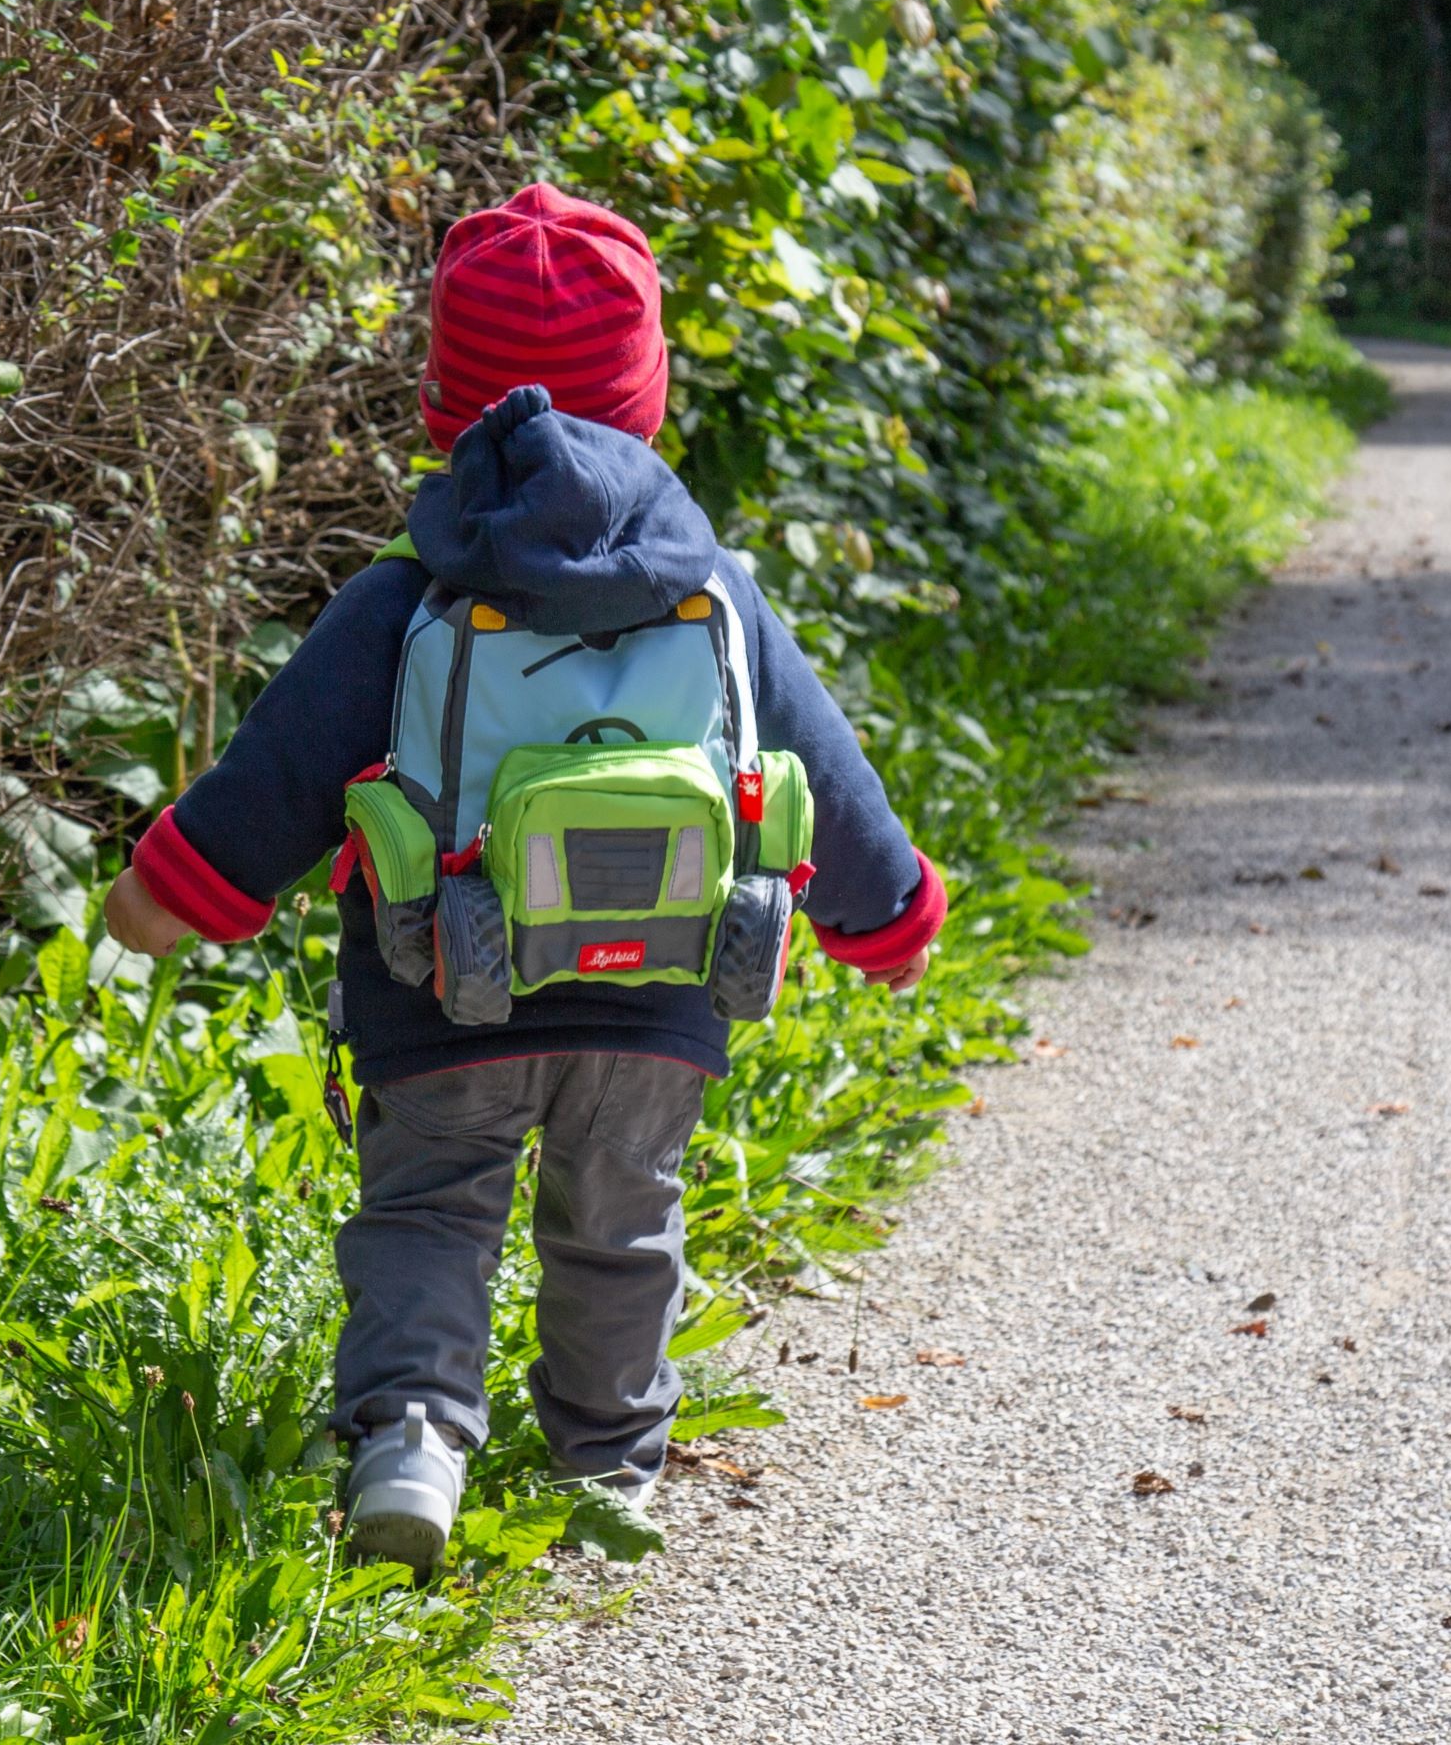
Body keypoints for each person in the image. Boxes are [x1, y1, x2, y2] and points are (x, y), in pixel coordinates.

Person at [106, 183, 943, 1573]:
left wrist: (172, 897)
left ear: (444, 407)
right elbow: (829, 777)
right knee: (623, 1227)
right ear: (651, 397)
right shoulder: (714, 594)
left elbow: (275, 781)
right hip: (661, 1000)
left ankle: (414, 1439)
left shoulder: (405, 598)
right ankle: (609, 1466)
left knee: (431, 1216)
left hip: (445, 992)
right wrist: (890, 918)